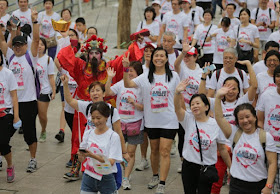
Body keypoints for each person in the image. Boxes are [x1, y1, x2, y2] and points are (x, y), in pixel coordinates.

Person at [123, 47, 180, 193]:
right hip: (152, 121)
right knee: (154, 150)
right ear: (152, 58)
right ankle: (155, 175)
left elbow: (178, 97)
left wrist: (183, 115)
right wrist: (125, 69)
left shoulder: (173, 76)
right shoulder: (145, 76)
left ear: (167, 59)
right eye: (156, 56)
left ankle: (162, 183)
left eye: (162, 56)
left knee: (165, 151)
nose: (159, 58)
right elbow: (128, 84)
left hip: (169, 120)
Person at [199, 60, 258, 194]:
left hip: (240, 150)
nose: (230, 91)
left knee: (241, 185)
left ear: (239, 90)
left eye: (234, 88)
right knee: (215, 183)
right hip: (219, 150)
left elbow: (254, 87)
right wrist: (204, 76)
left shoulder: (242, 101)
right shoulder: (216, 101)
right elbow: (201, 96)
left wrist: (249, 65)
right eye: (227, 88)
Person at [215, 88, 277, 194]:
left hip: (258, 185)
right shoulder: (234, 133)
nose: (245, 120)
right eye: (241, 118)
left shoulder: (265, 137)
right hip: (237, 185)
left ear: (254, 117)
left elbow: (272, 162)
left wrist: (269, 186)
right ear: (237, 121)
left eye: (248, 116)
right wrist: (217, 98)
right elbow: (219, 118)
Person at [0, 8, 40, 173]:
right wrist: (4, 28)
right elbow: (2, 42)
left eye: (20, 45)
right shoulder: (9, 56)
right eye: (15, 45)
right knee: (4, 134)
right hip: (11, 103)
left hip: (29, 101)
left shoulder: (31, 56)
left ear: (25, 45)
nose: (17, 48)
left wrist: (35, 21)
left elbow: (36, 39)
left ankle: (33, 159)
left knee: (29, 134)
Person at [174, 85, 231, 193]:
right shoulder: (188, 119)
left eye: (197, 103)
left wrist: (230, 167)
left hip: (207, 168)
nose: (194, 106)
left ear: (206, 107)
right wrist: (177, 93)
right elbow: (177, 109)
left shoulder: (216, 124)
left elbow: (222, 149)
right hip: (189, 166)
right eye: (192, 104)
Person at [105, 61, 144, 190]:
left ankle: (126, 178)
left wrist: (135, 104)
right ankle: (125, 170)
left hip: (136, 123)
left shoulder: (142, 86)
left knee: (131, 152)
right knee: (120, 152)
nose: (130, 73)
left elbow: (145, 107)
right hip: (119, 123)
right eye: (128, 70)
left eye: (132, 70)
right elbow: (108, 92)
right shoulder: (121, 83)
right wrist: (109, 77)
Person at [76, 101, 122, 194]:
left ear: (106, 117)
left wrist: (92, 155)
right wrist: (81, 156)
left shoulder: (113, 136)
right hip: (88, 175)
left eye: (98, 118)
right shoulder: (88, 133)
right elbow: (82, 157)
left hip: (106, 178)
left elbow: (111, 162)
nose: (95, 121)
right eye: (93, 118)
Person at [257, 65, 280, 194]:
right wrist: (263, 140)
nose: (279, 79)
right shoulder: (266, 95)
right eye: (277, 76)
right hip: (269, 147)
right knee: (266, 185)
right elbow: (260, 119)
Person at [0, 49, 20, 183]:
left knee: (3, 142)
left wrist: (16, 116)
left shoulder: (7, 74)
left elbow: (14, 96)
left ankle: (10, 165)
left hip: (5, 113)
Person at [36, 38, 55, 143]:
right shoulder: (31, 58)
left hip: (44, 90)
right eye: (37, 44)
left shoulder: (48, 59)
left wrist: (53, 90)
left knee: (42, 115)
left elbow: (51, 77)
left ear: (45, 47)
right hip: (32, 91)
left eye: (42, 44)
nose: (39, 46)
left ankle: (43, 130)